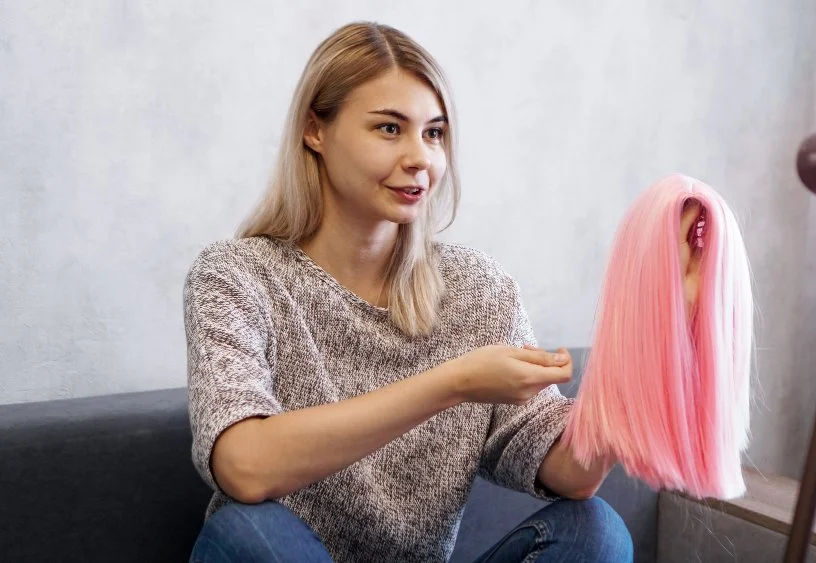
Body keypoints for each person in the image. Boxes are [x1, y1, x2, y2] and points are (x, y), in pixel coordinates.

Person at [181, 21, 640, 563]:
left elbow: (571, 475)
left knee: (594, 531)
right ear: (315, 131)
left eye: (435, 133)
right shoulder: (236, 276)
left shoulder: (478, 290)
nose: (422, 157)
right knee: (252, 534)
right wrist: (454, 383)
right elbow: (245, 466)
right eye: (389, 129)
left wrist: (647, 336)